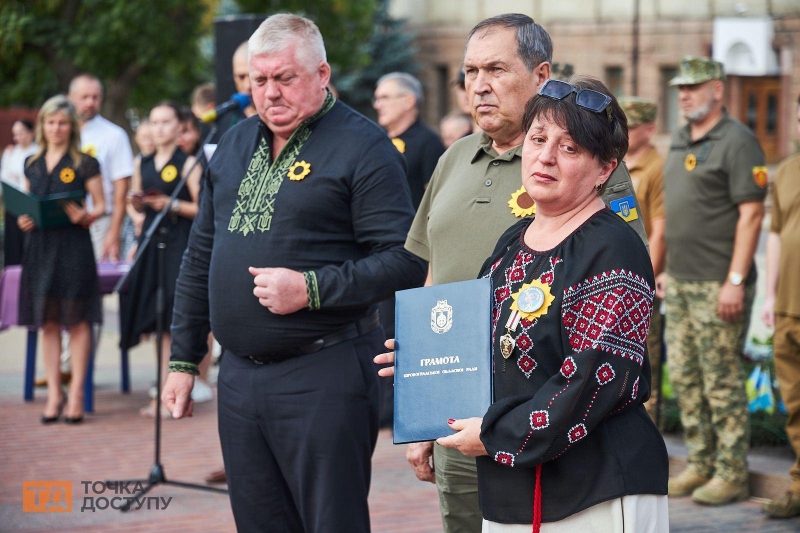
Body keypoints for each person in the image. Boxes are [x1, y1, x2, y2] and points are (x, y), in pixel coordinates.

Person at [161, 14, 426, 532]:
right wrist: (182, 358)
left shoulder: (363, 146)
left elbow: (405, 259)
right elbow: (200, 255)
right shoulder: (234, 144)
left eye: (285, 78)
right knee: (258, 522)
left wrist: (310, 289)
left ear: (322, 74)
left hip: (323, 375)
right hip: (238, 378)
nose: (270, 93)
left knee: (331, 523)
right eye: (259, 81)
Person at [378, 77, 669, 532]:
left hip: (596, 489)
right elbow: (481, 344)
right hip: (513, 479)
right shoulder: (513, 241)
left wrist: (495, 435)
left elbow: (593, 378)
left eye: (570, 148)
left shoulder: (612, 248)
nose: (546, 157)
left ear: (605, 169)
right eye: (538, 139)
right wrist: (427, 374)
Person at [657, 56, 766, 505]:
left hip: (719, 284)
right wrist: (660, 268)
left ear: (718, 90)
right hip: (680, 282)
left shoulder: (738, 142)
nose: (684, 94)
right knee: (685, 378)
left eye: (695, 87)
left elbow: (752, 213)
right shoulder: (680, 138)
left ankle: (731, 472)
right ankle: (700, 463)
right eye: (681, 87)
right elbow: (670, 213)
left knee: (720, 381)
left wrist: (736, 280)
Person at [17, 95, 105, 424]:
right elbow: (28, 204)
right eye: (51, 122)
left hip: (74, 247)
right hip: (40, 248)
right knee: (49, 322)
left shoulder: (85, 163)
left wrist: (87, 215)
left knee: (78, 322)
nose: (56, 128)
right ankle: (55, 393)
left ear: (72, 126)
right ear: (42, 125)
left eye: (63, 122)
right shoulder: (31, 163)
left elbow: (101, 205)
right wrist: (24, 218)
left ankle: (78, 392)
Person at [121, 102, 202, 418]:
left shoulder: (189, 163)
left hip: (179, 244)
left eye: (166, 122)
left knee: (172, 315)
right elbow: (136, 203)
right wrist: (137, 207)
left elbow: (201, 209)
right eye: (154, 122)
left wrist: (171, 204)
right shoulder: (143, 162)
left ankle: (176, 389)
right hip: (150, 243)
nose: (159, 128)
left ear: (179, 127)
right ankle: (160, 388)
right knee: (155, 320)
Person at [760, 94, 800, 519]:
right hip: (789, 308)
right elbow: (775, 234)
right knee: (796, 406)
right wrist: (770, 297)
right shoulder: (787, 171)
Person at [619, 97, 666, 424]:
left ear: (649, 129)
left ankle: (650, 438)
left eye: (632, 127)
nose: (625, 133)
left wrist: (647, 280)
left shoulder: (656, 167)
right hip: (613, 277)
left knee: (643, 363)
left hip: (639, 280)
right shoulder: (615, 162)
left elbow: (661, 229)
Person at [68, 74, 134, 262]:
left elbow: (121, 192)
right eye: (84, 97)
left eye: (95, 97)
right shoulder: (62, 133)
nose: (90, 102)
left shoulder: (114, 135)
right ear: (70, 98)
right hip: (65, 222)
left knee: (98, 284)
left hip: (100, 222)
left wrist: (113, 233)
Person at [373, 72, 445, 210]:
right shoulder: (376, 139)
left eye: (384, 98)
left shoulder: (429, 142)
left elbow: (436, 199)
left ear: (408, 101)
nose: (377, 105)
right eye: (376, 99)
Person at [1, 119, 38, 266]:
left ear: (31, 133)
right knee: (12, 245)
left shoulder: (38, 152)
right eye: (15, 134)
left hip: (30, 203)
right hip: (13, 203)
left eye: (21, 133)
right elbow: (4, 177)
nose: (18, 138)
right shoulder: (11, 153)